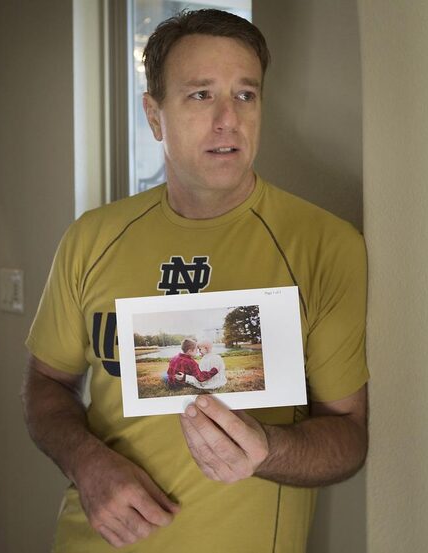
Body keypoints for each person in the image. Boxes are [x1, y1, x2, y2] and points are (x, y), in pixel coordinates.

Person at [22, 8, 368, 552]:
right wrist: (87, 463)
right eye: (201, 95)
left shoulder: (325, 245)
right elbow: (46, 385)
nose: (228, 118)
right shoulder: (91, 239)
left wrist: (268, 450)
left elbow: (348, 433)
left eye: (245, 95)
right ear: (154, 116)